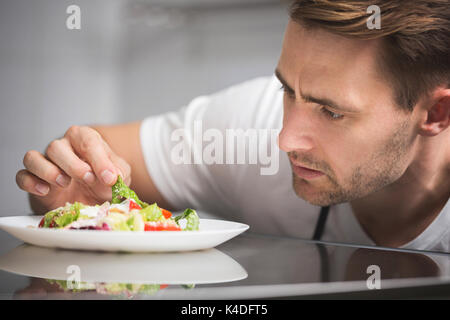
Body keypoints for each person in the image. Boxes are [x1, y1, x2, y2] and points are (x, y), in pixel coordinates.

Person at [16, 0, 450, 252]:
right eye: (287, 90)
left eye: (331, 112)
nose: (284, 140)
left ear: (435, 115)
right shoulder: (252, 125)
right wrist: (69, 190)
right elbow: (89, 162)